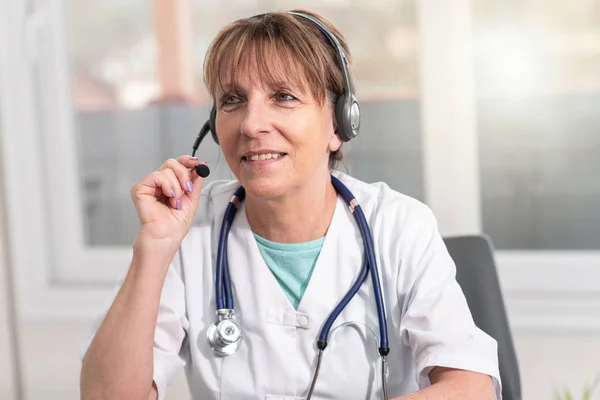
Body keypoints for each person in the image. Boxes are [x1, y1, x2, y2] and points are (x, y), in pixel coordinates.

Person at [80, 9, 501, 400]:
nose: (251, 124)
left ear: (338, 123)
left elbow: (470, 387)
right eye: (232, 100)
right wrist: (153, 246)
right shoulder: (187, 230)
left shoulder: (398, 225)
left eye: (283, 96)